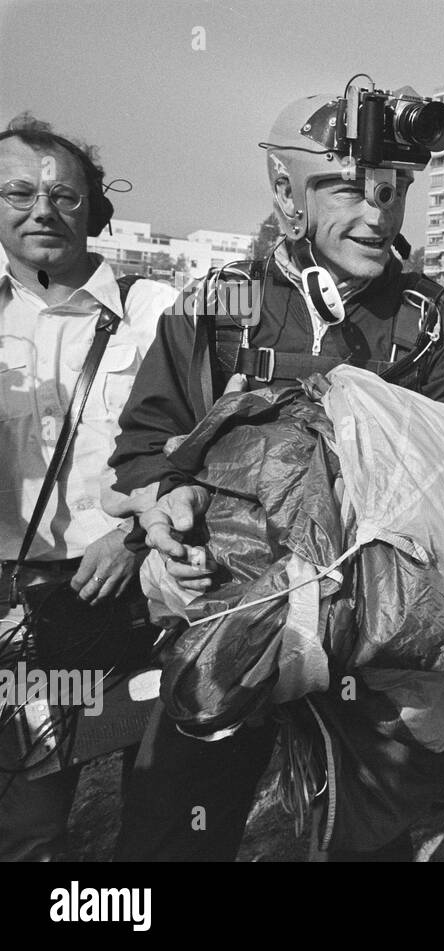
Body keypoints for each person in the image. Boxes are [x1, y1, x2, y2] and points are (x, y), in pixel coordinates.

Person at [106, 86, 444, 861]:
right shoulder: (220, 303)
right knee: (172, 835)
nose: (376, 214)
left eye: (393, 190)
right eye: (344, 188)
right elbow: (145, 440)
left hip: (378, 662)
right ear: (282, 190)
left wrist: (382, 532)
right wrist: (168, 499)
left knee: (365, 846)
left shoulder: (436, 328)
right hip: (226, 623)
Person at [0, 114, 176, 861]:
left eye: (65, 196)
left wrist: (134, 532)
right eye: (17, 191)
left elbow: (207, 450)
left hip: (141, 601)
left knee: (161, 815)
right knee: (29, 821)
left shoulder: (157, 313)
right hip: (22, 615)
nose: (43, 209)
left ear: (93, 208)